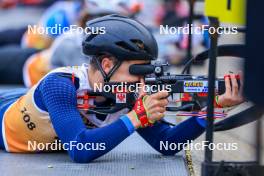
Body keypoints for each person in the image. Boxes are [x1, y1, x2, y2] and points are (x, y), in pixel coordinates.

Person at [0, 15, 243, 163]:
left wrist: (215, 107)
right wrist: (136, 117)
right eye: (137, 71)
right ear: (107, 64)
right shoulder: (61, 84)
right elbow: (80, 150)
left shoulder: (126, 93)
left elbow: (167, 144)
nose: (142, 82)